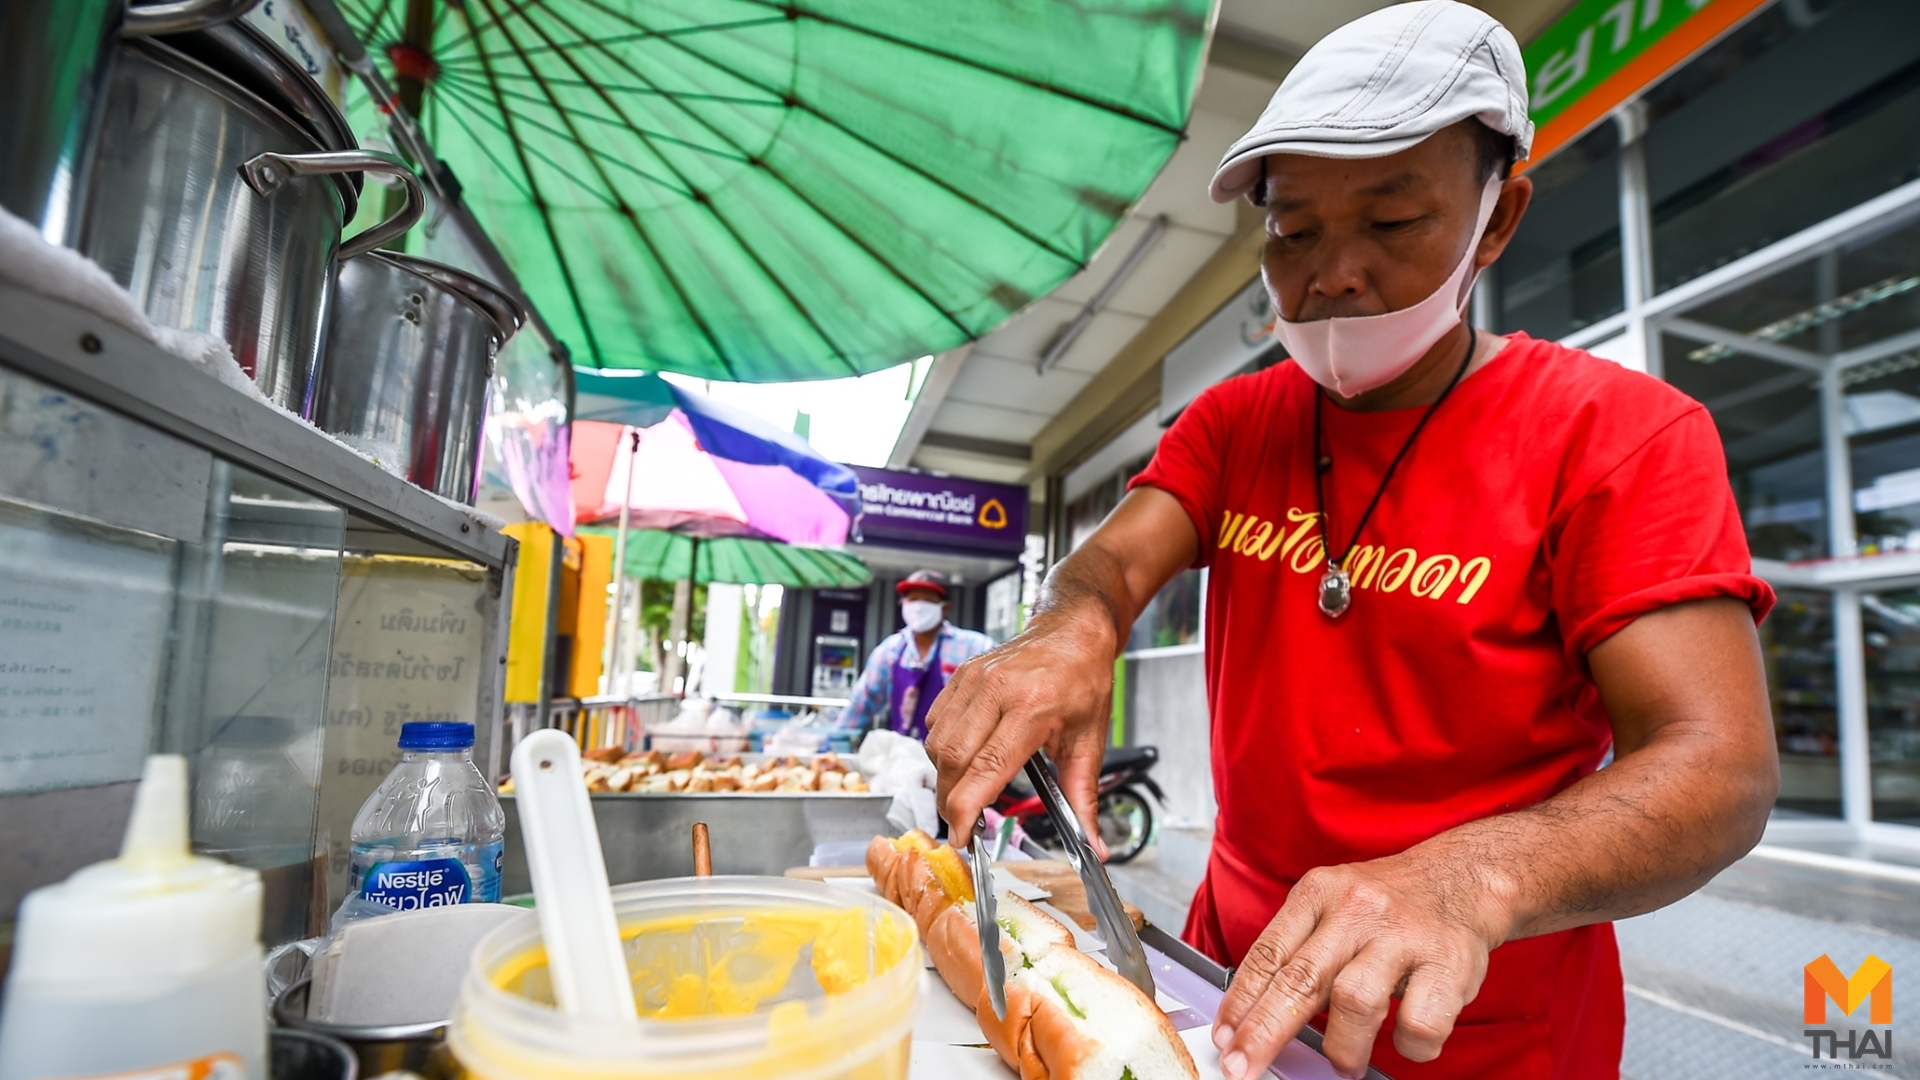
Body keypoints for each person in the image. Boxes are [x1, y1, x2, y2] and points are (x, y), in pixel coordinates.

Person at [923, 5, 1779, 1080]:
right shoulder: (1236, 424)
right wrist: (1073, 626)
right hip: (1224, 980)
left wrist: (1469, 880)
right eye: (1293, 233)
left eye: (1393, 221)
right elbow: (1114, 562)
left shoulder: (1617, 434)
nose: (1331, 273)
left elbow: (1719, 766)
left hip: (1480, 1027)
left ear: (1497, 220)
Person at [840, 570, 995, 740]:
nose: (919, 607)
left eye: (928, 600)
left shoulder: (976, 647)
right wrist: (834, 742)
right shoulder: (890, 650)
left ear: (945, 608)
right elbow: (862, 702)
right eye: (913, 599)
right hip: (900, 752)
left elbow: (996, 699)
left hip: (954, 750)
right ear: (903, 604)